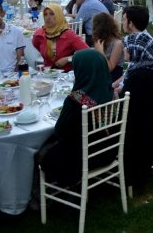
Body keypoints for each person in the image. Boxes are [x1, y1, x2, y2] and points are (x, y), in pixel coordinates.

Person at [37, 49, 115, 186]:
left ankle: (38, 197)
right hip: (107, 150)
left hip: (79, 160)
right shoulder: (110, 92)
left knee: (38, 152)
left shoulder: (76, 99)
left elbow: (59, 131)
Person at [119, 6, 153, 190]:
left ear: (130, 23)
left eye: (124, 19)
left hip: (142, 125)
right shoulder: (145, 51)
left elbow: (127, 90)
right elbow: (130, 71)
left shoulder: (140, 75)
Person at [32, 4, 89, 71]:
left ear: (58, 16)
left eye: (52, 14)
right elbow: (37, 45)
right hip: (47, 74)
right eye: (45, 14)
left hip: (66, 75)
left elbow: (87, 53)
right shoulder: (39, 34)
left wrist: (67, 59)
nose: (48, 17)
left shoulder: (68, 34)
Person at [92, 12, 124, 83]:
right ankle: (72, 94)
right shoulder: (100, 40)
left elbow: (110, 68)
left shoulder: (117, 43)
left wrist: (101, 51)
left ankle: (75, 94)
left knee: (85, 85)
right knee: (81, 81)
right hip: (99, 74)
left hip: (111, 77)